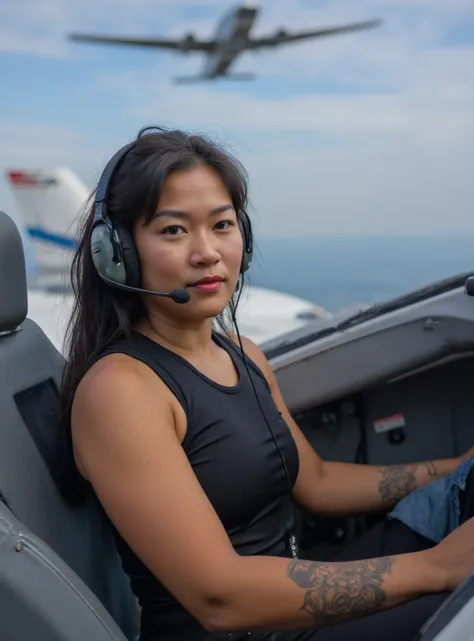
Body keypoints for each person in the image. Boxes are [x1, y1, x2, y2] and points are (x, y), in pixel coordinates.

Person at [61, 126, 474, 641]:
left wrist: (451, 468)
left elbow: (318, 484)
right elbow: (221, 596)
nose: (207, 252)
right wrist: (436, 569)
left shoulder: (242, 353)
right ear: (118, 252)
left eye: (222, 225)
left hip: (291, 612)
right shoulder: (121, 390)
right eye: (173, 230)